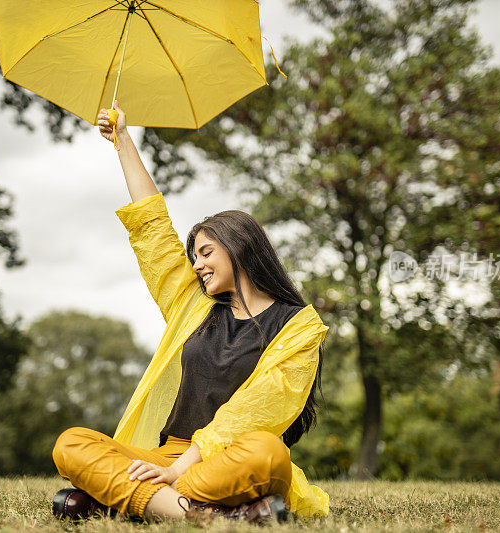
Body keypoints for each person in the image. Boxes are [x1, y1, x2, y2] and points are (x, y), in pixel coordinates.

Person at [50, 100, 330, 525]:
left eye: (205, 252)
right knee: (71, 444)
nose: (196, 264)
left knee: (268, 453)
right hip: (167, 453)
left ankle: (122, 500)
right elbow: (152, 229)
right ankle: (206, 515)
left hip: (227, 457)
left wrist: (179, 471)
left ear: (240, 247)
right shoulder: (194, 306)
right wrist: (123, 139)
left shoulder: (298, 326)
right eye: (193, 255)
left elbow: (256, 410)